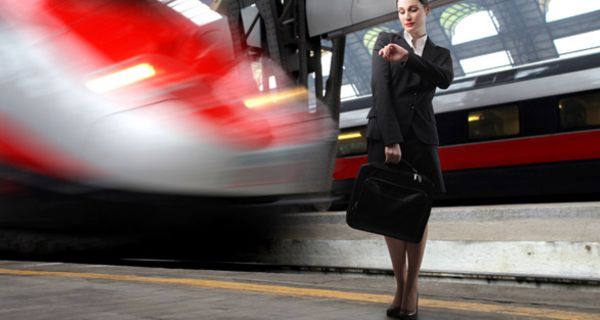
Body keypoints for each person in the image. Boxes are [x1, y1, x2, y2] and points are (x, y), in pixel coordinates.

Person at [365, 0, 454, 318]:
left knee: (417, 213)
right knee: (391, 213)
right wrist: (391, 139)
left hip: (422, 140)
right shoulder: (384, 40)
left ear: (427, 10)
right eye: (401, 10)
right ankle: (400, 285)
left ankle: (412, 286)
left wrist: (410, 59)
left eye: (413, 9)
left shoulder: (440, 53)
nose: (406, 16)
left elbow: (443, 79)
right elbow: (381, 90)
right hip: (388, 136)